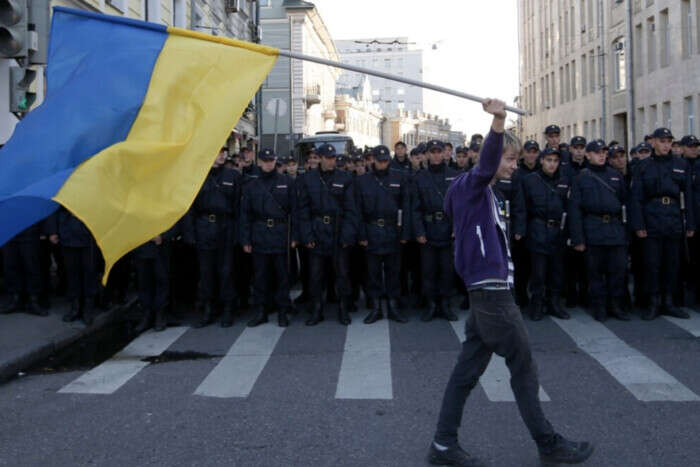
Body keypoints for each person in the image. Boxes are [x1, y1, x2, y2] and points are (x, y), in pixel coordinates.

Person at [429, 100, 593, 467]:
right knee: (524, 366)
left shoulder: (482, 192)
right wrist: (499, 120)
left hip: (489, 291)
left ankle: (442, 445)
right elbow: (487, 161)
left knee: (465, 373)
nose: (514, 166)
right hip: (491, 293)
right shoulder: (472, 185)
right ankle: (548, 445)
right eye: (511, 160)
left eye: (516, 161)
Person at [629, 128, 695, 320]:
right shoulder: (643, 166)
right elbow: (636, 198)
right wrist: (639, 225)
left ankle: (669, 302)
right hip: (651, 217)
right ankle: (654, 303)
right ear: (654, 143)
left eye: (669, 141)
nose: (666, 145)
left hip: (673, 217)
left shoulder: (681, 164)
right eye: (662, 141)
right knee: (652, 263)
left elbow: (688, 196)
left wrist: (690, 223)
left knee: (672, 263)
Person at [568, 141, 630, 322]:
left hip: (615, 230)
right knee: (595, 274)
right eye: (597, 153)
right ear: (588, 155)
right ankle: (599, 307)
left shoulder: (616, 175)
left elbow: (626, 204)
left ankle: (615, 306)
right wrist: (578, 238)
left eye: (603, 152)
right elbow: (575, 210)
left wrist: (626, 233)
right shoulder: (581, 178)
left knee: (617, 272)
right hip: (593, 229)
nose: (601, 155)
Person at [297, 143, 358, 325]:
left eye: (334, 158)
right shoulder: (308, 179)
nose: (332, 161)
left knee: (342, 273)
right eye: (328, 158)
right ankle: (317, 309)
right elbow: (303, 210)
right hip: (317, 230)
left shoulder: (345, 178)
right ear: (320, 158)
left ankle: (343, 308)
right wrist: (307, 236)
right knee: (316, 274)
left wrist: (348, 235)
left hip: (338, 230)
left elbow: (351, 210)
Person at [183, 146, 241, 328]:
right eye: (217, 151)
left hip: (226, 228)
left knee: (226, 272)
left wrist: (239, 234)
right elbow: (189, 208)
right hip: (204, 228)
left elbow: (239, 207)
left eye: (223, 152)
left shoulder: (233, 176)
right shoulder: (197, 176)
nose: (222, 155)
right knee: (206, 272)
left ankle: (227, 308)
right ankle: (208, 308)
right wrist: (190, 234)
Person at [240, 148, 298, 328]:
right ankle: (261, 312)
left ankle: (282, 311)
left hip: (281, 234)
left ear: (275, 161)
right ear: (259, 162)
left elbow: (295, 212)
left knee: (282, 275)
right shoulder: (251, 185)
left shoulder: (286, 182)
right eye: (265, 161)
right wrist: (246, 240)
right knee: (260, 276)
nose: (268, 163)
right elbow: (245, 215)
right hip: (259, 234)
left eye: (271, 160)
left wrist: (294, 236)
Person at [512, 146, 570, 321]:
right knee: (538, 272)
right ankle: (536, 304)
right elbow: (521, 207)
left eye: (555, 161)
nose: (552, 164)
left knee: (557, 271)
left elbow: (570, 207)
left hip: (558, 231)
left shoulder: (564, 180)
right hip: (537, 229)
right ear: (541, 161)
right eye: (549, 160)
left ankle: (554, 303)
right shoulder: (530, 180)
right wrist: (520, 230)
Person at [355, 145, 411, 324]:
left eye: (385, 160)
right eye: (379, 161)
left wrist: (404, 232)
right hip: (371, 231)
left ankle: (393, 307)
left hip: (392, 231)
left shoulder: (399, 177)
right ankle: (376, 307)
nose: (382, 164)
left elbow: (406, 206)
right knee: (373, 273)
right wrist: (361, 235)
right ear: (373, 160)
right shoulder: (363, 181)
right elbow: (357, 211)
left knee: (394, 272)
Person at [411, 139, 460, 321]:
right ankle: (431, 304)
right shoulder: (419, 178)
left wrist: (457, 227)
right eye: (432, 152)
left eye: (439, 151)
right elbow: (414, 208)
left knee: (447, 270)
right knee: (428, 271)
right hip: (428, 229)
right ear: (427, 154)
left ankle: (445, 304)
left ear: (444, 153)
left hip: (448, 229)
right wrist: (419, 232)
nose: (436, 155)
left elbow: (459, 205)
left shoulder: (455, 176)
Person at [49, 208, 99, 325]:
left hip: (89, 233)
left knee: (89, 272)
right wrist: (52, 231)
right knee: (72, 273)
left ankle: (88, 308)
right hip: (67, 232)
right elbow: (53, 206)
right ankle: (75, 307)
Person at [511, 139, 540, 311]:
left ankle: (534, 295)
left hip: (537, 223)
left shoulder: (541, 171)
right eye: (528, 151)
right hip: (521, 223)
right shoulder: (517, 172)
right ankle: (521, 295)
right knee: (520, 263)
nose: (531, 155)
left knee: (534, 264)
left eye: (534, 151)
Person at [563, 136, 589, 308]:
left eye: (582, 147)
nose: (579, 151)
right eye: (576, 147)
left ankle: (586, 295)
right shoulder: (564, 168)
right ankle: (571, 295)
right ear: (571, 149)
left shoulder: (590, 167)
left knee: (587, 261)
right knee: (570, 260)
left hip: (587, 217)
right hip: (568, 216)